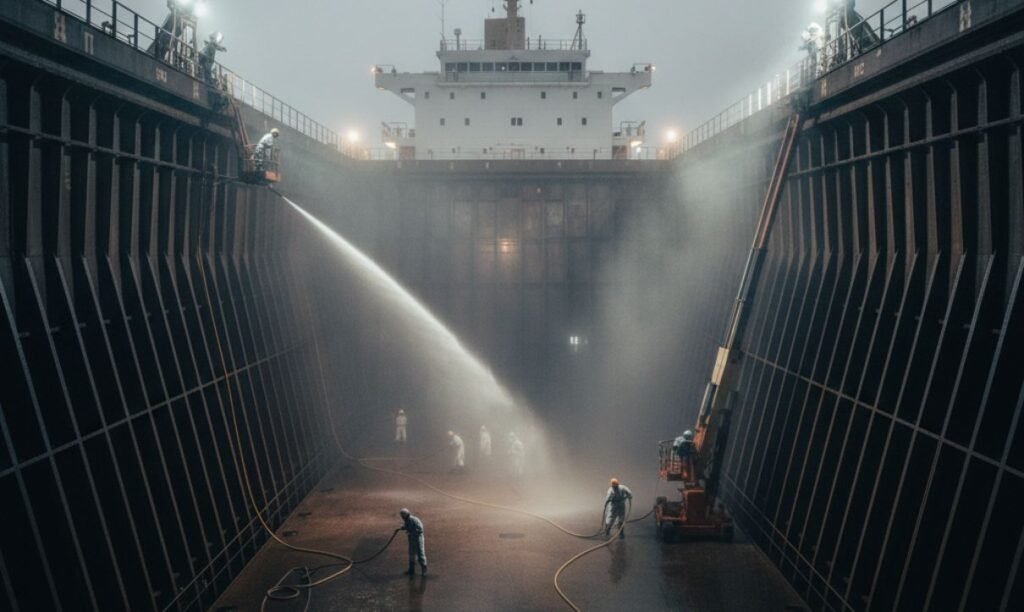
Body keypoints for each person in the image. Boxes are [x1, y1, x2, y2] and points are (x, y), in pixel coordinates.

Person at [399, 508, 427, 576]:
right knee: (411, 554)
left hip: (418, 539)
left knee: (420, 554)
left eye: (402, 516)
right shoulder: (407, 520)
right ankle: (411, 570)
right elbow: (407, 526)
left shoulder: (414, 520)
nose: (402, 518)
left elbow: (420, 529)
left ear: (405, 516)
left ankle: (424, 570)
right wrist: (403, 528)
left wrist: (411, 532)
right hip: (411, 539)